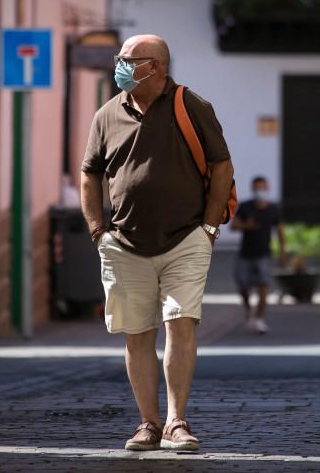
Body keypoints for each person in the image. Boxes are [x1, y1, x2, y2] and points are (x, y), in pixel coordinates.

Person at [80, 34, 234, 452]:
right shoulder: (107, 114)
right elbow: (90, 172)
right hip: (124, 243)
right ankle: (148, 424)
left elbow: (222, 164)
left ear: (157, 67)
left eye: (130, 60)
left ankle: (176, 422)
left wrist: (209, 227)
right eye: (120, 59)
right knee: (137, 333)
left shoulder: (192, 107)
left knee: (180, 323)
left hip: (186, 238)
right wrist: (98, 231)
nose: (122, 66)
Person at [230, 176, 285, 334]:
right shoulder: (246, 207)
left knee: (263, 286)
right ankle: (248, 310)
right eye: (257, 188)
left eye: (262, 187)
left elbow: (280, 231)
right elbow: (233, 226)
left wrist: (282, 252)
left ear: (267, 188)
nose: (259, 191)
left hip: (264, 254)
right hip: (245, 254)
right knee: (243, 286)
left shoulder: (273, 209)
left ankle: (259, 318)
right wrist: (245, 226)